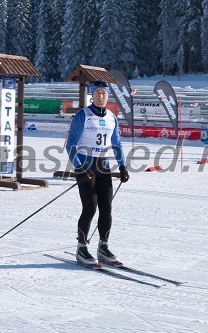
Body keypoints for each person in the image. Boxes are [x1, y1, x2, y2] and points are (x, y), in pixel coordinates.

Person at [66, 80, 129, 266]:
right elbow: (71, 145)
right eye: (97, 93)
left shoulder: (112, 117)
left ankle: (103, 246)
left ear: (107, 96)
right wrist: (80, 167)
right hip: (85, 164)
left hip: (103, 165)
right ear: (91, 96)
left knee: (106, 208)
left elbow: (116, 144)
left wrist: (123, 166)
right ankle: (81, 248)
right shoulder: (82, 115)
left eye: (104, 94)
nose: (100, 97)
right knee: (90, 208)